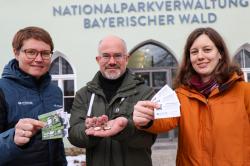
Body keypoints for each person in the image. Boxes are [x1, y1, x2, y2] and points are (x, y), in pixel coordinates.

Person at [133, 27, 250, 165]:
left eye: (207, 50)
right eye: (194, 52)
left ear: (221, 54)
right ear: (189, 58)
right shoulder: (180, 95)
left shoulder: (244, 91)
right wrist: (147, 117)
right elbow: (162, 120)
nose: (200, 56)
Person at [68, 35, 157, 166]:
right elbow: (74, 135)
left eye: (117, 55)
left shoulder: (144, 92)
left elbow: (148, 139)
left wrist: (124, 128)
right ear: (98, 60)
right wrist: (89, 130)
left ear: (126, 59)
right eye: (106, 56)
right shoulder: (84, 94)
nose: (112, 61)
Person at [0, 26, 67, 165]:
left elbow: (56, 142)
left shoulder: (55, 91)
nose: (39, 59)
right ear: (16, 53)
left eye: (45, 53)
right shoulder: (2, 90)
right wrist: (12, 138)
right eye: (31, 52)